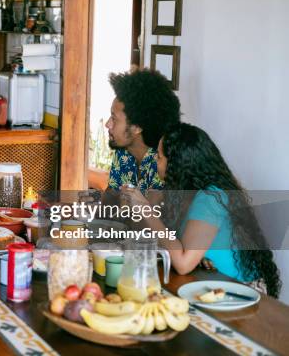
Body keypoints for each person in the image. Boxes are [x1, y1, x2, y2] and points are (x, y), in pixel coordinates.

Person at [122, 123, 281, 297]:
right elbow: (163, 241)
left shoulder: (210, 197)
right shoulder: (182, 195)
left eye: (159, 157)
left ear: (177, 164)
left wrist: (146, 209)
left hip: (242, 291)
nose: (154, 161)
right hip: (210, 282)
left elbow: (182, 263)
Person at [103, 68, 181, 206]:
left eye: (114, 119)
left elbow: (149, 221)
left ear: (137, 127)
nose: (107, 124)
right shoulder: (123, 153)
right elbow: (108, 203)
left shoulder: (161, 163)